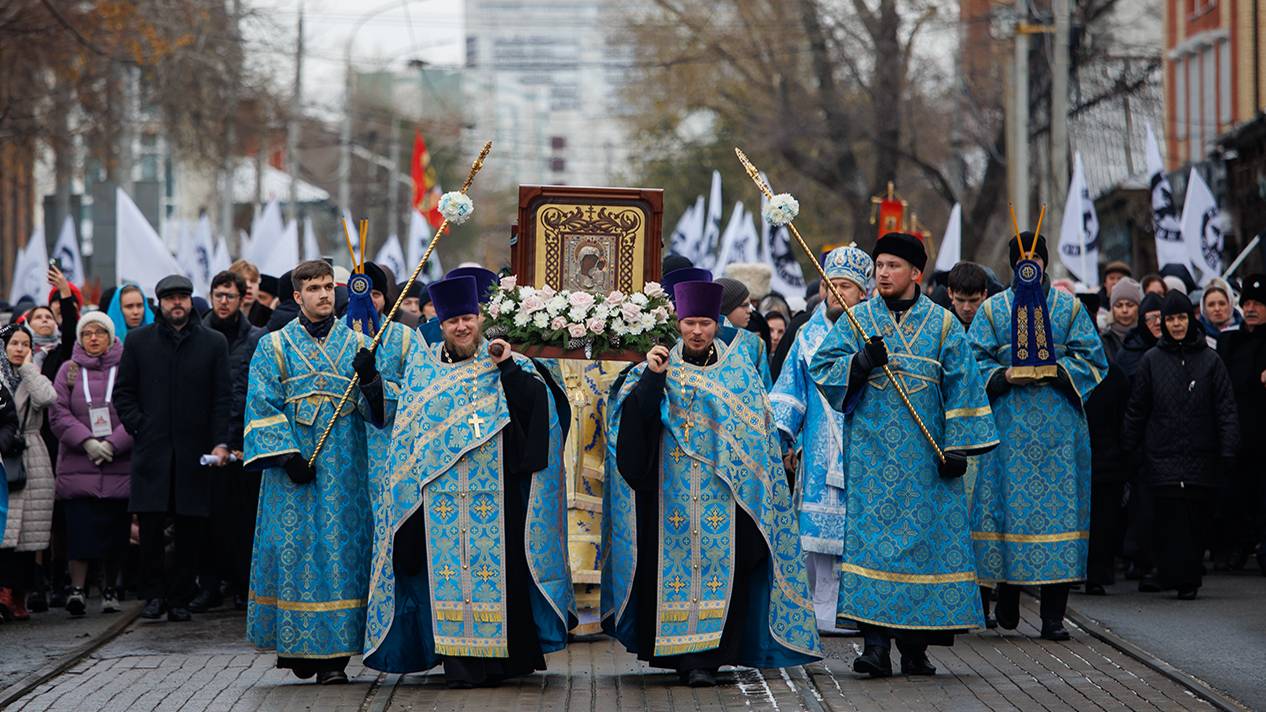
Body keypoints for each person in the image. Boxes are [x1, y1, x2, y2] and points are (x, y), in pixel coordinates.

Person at [361, 275, 575, 687]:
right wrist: (371, 380)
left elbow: (538, 414)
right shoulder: (424, 370)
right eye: (453, 321)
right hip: (438, 502)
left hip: (500, 496)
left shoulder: (506, 361)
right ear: (440, 326)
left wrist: (507, 368)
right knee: (443, 582)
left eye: (468, 318)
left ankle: (504, 662)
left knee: (506, 576)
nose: (462, 327)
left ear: (481, 319)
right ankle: (459, 662)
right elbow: (403, 429)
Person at [605, 279, 820, 687]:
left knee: (727, 579)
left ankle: (713, 658)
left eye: (705, 323)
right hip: (668, 501)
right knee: (671, 578)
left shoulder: (737, 369)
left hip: (727, 497)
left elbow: (757, 431)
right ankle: (686, 660)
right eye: (690, 323)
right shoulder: (654, 366)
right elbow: (632, 428)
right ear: (678, 323)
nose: (697, 331)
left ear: (716, 323)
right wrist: (653, 379)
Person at [809, 233, 998, 678]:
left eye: (893, 265)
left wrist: (958, 449)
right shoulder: (857, 320)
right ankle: (875, 648)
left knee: (922, 553)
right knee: (873, 553)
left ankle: (915, 649)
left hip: (928, 465)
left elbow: (964, 387)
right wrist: (859, 363)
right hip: (873, 463)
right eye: (879, 266)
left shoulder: (944, 325)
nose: (883, 273)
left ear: (915, 273)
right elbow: (822, 368)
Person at [967, 232, 1107, 640]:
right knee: (1004, 515)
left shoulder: (1069, 307)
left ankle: (1053, 618)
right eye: (1023, 259)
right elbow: (971, 360)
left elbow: (1094, 359)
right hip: (1006, 430)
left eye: (1036, 258)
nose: (1031, 265)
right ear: (1014, 265)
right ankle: (1007, 592)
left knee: (1058, 519)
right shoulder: (993, 311)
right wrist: (1003, 374)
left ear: (1044, 262)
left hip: (1058, 435)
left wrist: (1060, 372)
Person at [243, 260, 374, 684]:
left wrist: (370, 379)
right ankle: (297, 646)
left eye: (327, 287)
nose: (323, 295)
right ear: (297, 297)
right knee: (295, 556)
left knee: (340, 557)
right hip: (294, 474)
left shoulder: (359, 343)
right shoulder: (274, 346)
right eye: (313, 288)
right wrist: (286, 456)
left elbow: (381, 412)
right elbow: (261, 405)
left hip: (346, 475)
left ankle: (334, 660)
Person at [114, 276, 232, 623]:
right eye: (170, 298)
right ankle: (152, 596)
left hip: (195, 453)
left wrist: (218, 440)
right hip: (152, 453)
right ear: (159, 303)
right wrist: (141, 426)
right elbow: (123, 393)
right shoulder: (138, 342)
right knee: (150, 529)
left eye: (182, 297)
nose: (177, 303)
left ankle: (180, 597)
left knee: (190, 529)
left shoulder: (213, 343)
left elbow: (221, 398)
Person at [770, 245, 872, 635]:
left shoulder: (873, 332)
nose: (836, 293)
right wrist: (782, 438)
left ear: (862, 292)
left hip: (864, 446)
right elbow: (789, 390)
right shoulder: (807, 335)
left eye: (845, 286)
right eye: (831, 285)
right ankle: (818, 608)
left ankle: (855, 608)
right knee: (817, 537)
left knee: (857, 533)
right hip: (818, 447)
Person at [1123, 291, 1238, 599]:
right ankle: (1174, 575)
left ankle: (1188, 576)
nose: (1176, 325)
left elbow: (1225, 408)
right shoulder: (1151, 361)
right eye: (1171, 319)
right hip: (1162, 455)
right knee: (1169, 519)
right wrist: (1130, 448)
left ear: (1190, 320)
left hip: (1201, 455)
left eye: (1181, 318)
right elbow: (1137, 408)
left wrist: (1228, 450)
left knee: (1196, 519)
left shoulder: (1211, 361)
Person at [48, 312, 133, 616]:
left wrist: (113, 443)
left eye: (99, 333)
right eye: (87, 333)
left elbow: (137, 410)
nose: (93, 338)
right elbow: (58, 413)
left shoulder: (126, 368)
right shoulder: (68, 370)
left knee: (115, 533)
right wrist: (86, 441)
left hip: (118, 465)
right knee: (80, 532)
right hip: (78, 465)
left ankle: (110, 589)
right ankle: (78, 590)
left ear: (111, 337)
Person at [189, 271, 265, 612]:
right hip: (204, 441)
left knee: (241, 519)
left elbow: (252, 391)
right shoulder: (198, 336)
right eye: (218, 295)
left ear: (242, 298)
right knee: (205, 519)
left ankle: (240, 585)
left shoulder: (255, 338)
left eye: (229, 296)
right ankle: (207, 584)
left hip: (242, 443)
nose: (223, 301)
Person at [0, 323, 57, 621]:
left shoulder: (32, 374)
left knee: (29, 534)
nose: (19, 349)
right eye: (14, 343)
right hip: (3, 452)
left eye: (25, 344)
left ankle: (18, 593)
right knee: (5, 529)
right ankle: (4, 592)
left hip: (32, 453)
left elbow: (47, 398)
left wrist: (30, 370)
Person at [1214, 274, 1266, 573]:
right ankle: (1235, 547)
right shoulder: (1229, 341)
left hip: (1263, 437)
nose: (1251, 308)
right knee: (1234, 498)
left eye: (1258, 303)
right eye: (1247, 302)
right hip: (1235, 434)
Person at [715, 277, 773, 388]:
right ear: (727, 307)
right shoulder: (701, 339)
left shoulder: (755, 344)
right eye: (744, 305)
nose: (750, 310)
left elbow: (765, 389)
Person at [1102, 278, 1142, 359]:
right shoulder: (1103, 341)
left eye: (1130, 305)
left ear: (1138, 307)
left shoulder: (1147, 339)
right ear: (1112, 309)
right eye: (1119, 305)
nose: (1124, 310)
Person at [1199, 280, 1241, 348]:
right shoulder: (1197, 338)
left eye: (1222, 304)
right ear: (1204, 308)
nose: (1217, 309)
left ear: (1230, 304)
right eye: (1211, 305)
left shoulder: (1245, 332)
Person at [946, 262, 989, 327]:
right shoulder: (942, 324)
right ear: (950, 293)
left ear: (984, 295)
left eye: (973, 300)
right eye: (960, 300)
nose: (966, 308)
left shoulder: (993, 324)